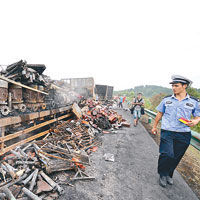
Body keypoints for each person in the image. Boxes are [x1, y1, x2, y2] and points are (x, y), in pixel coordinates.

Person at [151, 75, 200, 187]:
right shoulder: (167, 99)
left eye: (176, 85)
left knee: (176, 156)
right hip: (167, 131)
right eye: (172, 85)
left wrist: (195, 121)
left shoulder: (194, 102)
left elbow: (198, 116)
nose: (173, 88)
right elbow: (159, 113)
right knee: (167, 154)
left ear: (184, 86)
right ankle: (162, 174)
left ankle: (169, 174)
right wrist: (154, 126)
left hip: (184, 133)